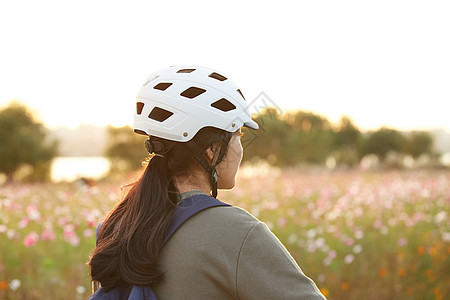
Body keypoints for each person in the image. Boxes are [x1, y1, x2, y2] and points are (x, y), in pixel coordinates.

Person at [88, 65, 326, 299]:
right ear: (211, 151)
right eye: (238, 134)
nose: (240, 147)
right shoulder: (237, 232)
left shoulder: (117, 227)